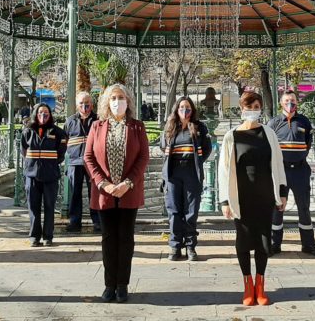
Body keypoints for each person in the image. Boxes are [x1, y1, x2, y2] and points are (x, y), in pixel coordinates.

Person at [219, 91, 287, 306]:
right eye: (249, 107)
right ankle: (247, 283)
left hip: (265, 195)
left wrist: (282, 193)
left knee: (263, 240)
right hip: (241, 196)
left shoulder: (268, 133)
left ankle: (260, 283)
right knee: (244, 239)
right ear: (242, 109)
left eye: (256, 106)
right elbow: (223, 170)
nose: (253, 110)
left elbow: (278, 163)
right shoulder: (232, 136)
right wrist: (224, 201)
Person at [84, 84, 150, 303]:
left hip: (128, 192)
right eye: (113, 97)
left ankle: (122, 284)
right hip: (105, 193)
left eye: (121, 97)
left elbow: (143, 158)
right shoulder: (96, 126)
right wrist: (103, 184)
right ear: (106, 101)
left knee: (126, 239)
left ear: (128, 100)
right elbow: (89, 157)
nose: (117, 101)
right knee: (108, 238)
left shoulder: (137, 127)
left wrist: (128, 183)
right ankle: (109, 284)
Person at [267, 90, 315, 257]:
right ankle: (274, 244)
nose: (290, 104)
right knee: (277, 208)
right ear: (281, 103)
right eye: (286, 101)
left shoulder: (304, 122)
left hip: (300, 170)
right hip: (281, 171)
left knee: (304, 208)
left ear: (297, 102)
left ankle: (308, 244)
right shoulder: (274, 123)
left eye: (292, 101)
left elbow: (308, 144)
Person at [161, 96, 212, 261]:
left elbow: (207, 148)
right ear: (176, 109)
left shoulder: (199, 127)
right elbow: (163, 146)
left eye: (188, 107)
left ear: (192, 110)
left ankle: (190, 246)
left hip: (191, 173)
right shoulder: (169, 127)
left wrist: (197, 162)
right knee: (174, 211)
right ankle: (175, 246)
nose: (185, 110)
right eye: (182, 107)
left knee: (191, 211)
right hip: (173, 173)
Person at [21, 103, 67, 246]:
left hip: (50, 175)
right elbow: (24, 151)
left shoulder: (58, 132)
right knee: (33, 207)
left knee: (49, 206)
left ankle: (48, 237)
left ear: (50, 114)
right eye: (40, 112)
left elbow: (61, 153)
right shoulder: (27, 131)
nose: (43, 116)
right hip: (31, 174)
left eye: (46, 113)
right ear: (35, 113)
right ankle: (34, 236)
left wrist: (50, 163)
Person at [63, 92, 100, 233]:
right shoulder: (70, 121)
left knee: (94, 193)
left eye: (87, 103)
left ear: (92, 104)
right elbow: (64, 141)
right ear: (77, 105)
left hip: (93, 163)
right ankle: (74, 222)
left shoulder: (98, 120)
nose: (85, 106)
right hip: (74, 162)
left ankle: (97, 221)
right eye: (81, 103)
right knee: (75, 193)